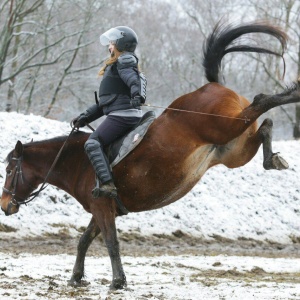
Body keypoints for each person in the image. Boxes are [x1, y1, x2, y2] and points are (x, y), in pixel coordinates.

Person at [72, 26, 147, 199]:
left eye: (112, 43)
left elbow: (134, 80)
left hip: (124, 115)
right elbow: (106, 101)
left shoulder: (125, 60)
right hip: (121, 112)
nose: (109, 47)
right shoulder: (116, 65)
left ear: (121, 44)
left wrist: (137, 95)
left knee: (92, 143)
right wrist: (85, 117)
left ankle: (107, 185)